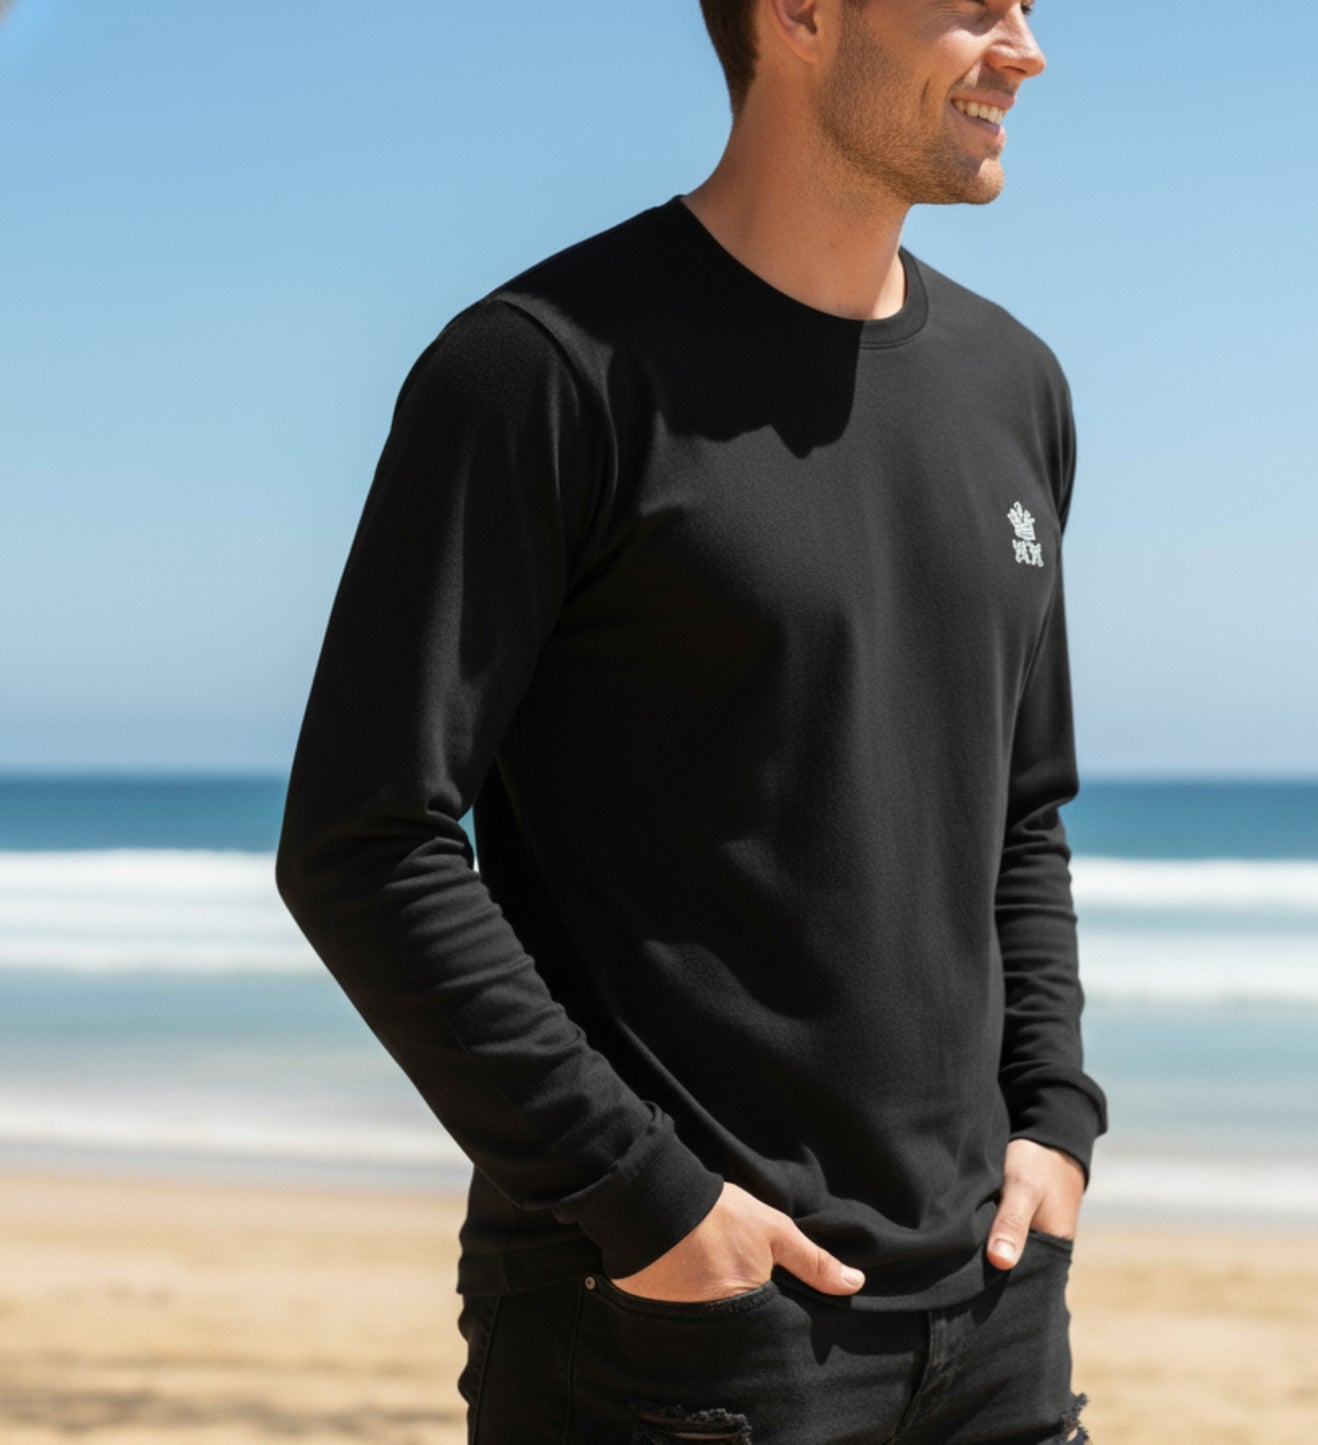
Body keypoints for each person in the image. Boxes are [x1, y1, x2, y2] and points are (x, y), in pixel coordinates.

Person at [275, 0, 1107, 1438]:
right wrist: (644, 1200)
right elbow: (366, 840)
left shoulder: (1011, 387)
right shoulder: (543, 370)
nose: (1023, 48)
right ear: (798, 14)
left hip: (992, 1315)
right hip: (683, 1339)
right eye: (973, 4)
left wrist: (1053, 1122)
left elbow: (1015, 808)